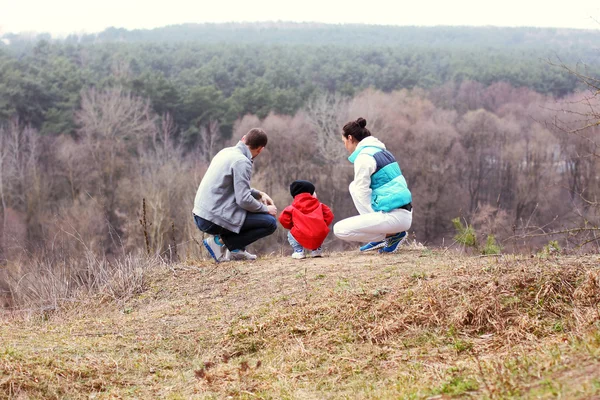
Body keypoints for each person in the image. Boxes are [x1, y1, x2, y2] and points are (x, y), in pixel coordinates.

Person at [192, 128, 277, 262]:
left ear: (243, 139)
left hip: (201, 214)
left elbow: (235, 187)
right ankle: (219, 243)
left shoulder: (226, 152)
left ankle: (237, 251)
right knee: (270, 223)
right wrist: (266, 209)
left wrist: (259, 194)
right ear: (260, 149)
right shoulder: (242, 162)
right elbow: (243, 199)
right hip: (211, 218)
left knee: (243, 211)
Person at [333, 117, 412, 253]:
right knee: (354, 186)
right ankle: (385, 234)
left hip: (393, 217)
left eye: (344, 141)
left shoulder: (364, 158)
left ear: (350, 138)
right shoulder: (382, 152)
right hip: (404, 213)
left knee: (340, 230)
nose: (345, 146)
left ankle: (390, 235)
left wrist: (372, 218)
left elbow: (362, 191)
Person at [279, 180, 334, 259]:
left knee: (290, 233)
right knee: (318, 232)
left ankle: (299, 251)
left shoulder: (292, 208)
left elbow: (283, 219)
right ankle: (316, 250)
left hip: (300, 234)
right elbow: (329, 215)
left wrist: (293, 226)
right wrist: (322, 224)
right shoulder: (320, 205)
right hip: (318, 234)